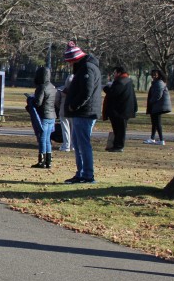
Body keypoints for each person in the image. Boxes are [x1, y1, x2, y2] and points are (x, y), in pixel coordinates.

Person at [62, 41, 102, 184]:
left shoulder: (87, 68)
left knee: (82, 144)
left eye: (71, 62)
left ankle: (87, 174)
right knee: (78, 144)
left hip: (84, 112)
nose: (70, 65)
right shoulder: (86, 67)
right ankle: (81, 173)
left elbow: (86, 91)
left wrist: (74, 105)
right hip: (83, 111)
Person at [103, 65, 138, 152]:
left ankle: (119, 146)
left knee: (119, 130)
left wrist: (106, 88)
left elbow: (113, 93)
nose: (114, 74)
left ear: (119, 73)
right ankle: (116, 145)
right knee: (119, 129)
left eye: (115, 72)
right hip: (125, 110)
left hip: (120, 110)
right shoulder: (128, 81)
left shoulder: (120, 81)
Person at [30, 66, 57, 168]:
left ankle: (41, 161)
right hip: (52, 115)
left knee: (42, 138)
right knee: (47, 139)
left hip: (44, 116)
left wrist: (31, 99)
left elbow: (38, 102)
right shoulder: (52, 87)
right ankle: (48, 161)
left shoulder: (42, 87)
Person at [144, 69, 172, 145]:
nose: (153, 76)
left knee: (157, 123)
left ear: (159, 75)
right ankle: (152, 138)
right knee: (154, 123)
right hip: (156, 106)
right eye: (152, 74)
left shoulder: (159, 83)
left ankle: (161, 140)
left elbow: (158, 95)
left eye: (155, 74)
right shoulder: (156, 83)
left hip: (158, 106)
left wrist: (151, 101)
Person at [55, 73, 73, 152]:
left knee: (65, 129)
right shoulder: (78, 90)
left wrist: (60, 107)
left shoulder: (61, 89)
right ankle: (72, 145)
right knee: (73, 130)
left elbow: (57, 101)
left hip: (63, 111)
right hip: (73, 112)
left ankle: (66, 145)